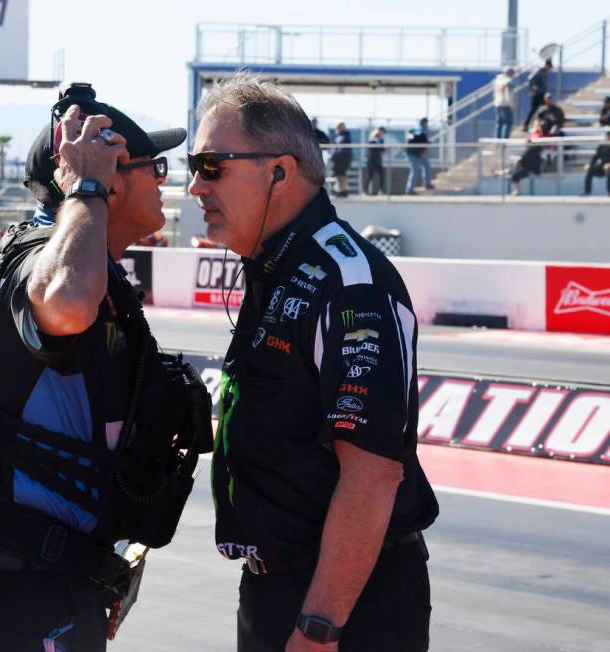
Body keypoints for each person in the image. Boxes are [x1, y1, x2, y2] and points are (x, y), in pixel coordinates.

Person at [0, 85, 210, 652]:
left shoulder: (42, 254)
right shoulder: (51, 264)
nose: (164, 179)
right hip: (21, 587)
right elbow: (68, 304)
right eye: (151, 166)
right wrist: (85, 187)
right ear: (106, 177)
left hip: (38, 576)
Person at [188, 73, 438, 652]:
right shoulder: (276, 266)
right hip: (279, 591)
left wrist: (318, 629)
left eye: (212, 166)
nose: (196, 187)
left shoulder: (349, 281)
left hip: (344, 611)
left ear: (280, 170)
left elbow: (373, 474)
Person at [511, 123, 546, 196]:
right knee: (516, 170)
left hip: (532, 170)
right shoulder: (531, 150)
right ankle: (517, 191)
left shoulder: (531, 151)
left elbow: (525, 161)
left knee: (516, 174)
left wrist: (520, 162)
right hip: (529, 168)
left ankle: (518, 192)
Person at [405, 118, 433, 194]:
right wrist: (426, 143)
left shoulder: (418, 130)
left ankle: (427, 183)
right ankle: (409, 190)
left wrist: (426, 143)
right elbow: (413, 139)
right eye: (426, 123)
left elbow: (418, 139)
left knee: (426, 165)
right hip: (413, 153)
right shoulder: (418, 130)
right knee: (415, 171)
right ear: (424, 123)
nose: (427, 125)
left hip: (418, 153)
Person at [524, 60, 552, 130]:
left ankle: (544, 124)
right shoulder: (539, 71)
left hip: (543, 95)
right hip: (537, 94)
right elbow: (530, 79)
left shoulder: (545, 73)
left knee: (545, 109)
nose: (550, 69)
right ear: (547, 66)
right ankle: (526, 125)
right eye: (549, 67)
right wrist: (533, 90)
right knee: (533, 110)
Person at [582, 130, 610, 196]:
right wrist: (589, 165)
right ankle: (587, 192)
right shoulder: (602, 146)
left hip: (608, 168)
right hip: (602, 167)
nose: (608, 138)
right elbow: (595, 157)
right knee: (590, 170)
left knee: (609, 170)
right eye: (607, 136)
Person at [330, 122, 352, 198]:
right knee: (338, 174)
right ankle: (340, 190)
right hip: (338, 158)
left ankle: (343, 190)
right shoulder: (340, 136)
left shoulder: (345, 135)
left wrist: (336, 155)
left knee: (341, 174)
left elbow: (343, 148)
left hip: (343, 158)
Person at [493, 67, 515, 139]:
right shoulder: (508, 81)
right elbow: (507, 93)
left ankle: (497, 139)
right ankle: (505, 140)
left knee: (499, 123)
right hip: (505, 104)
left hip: (498, 103)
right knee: (508, 123)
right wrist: (511, 104)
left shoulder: (498, 80)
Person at [363, 127, 385, 195]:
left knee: (382, 174)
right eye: (377, 134)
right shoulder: (371, 141)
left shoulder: (381, 141)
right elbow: (373, 150)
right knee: (370, 176)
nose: (378, 136)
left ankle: (381, 190)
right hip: (371, 161)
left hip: (378, 161)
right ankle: (365, 190)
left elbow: (383, 150)